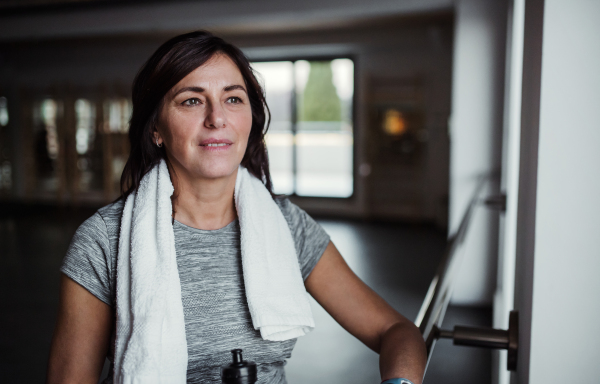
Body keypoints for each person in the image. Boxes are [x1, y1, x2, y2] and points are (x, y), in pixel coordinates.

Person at [46, 31, 426, 384]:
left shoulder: (286, 225)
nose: (216, 118)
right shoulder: (104, 240)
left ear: (250, 119)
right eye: (192, 100)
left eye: (233, 98)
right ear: (156, 129)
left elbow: (396, 331)